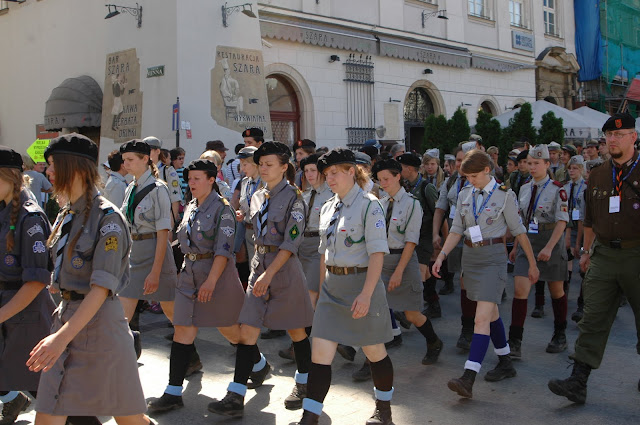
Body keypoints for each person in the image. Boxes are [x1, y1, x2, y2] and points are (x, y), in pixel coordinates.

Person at [28, 133, 154, 425]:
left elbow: (101, 290)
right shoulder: (67, 214)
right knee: (48, 415)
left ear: (74, 167)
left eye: (53, 164)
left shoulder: (107, 219)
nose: (48, 171)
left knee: (129, 419)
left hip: (101, 330)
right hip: (68, 319)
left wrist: (60, 339)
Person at [148, 159, 269, 413]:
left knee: (231, 332)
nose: (191, 183)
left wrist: (211, 281)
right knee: (183, 330)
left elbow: (223, 250)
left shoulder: (223, 209)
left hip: (217, 277)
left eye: (197, 178)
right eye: (189, 179)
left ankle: (258, 364)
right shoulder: (191, 206)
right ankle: (173, 392)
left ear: (211, 180)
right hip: (189, 276)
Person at [208, 142, 314, 417]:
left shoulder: (294, 198)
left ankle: (305, 382)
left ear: (284, 167)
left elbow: (290, 243)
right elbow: (255, 226)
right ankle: (236, 395)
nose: (263, 168)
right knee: (248, 331)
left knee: (296, 330)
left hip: (284, 270)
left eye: (269, 164)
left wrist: (269, 274)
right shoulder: (257, 195)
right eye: (261, 164)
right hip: (259, 265)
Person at [296, 148, 394, 425]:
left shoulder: (369, 205)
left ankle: (384, 411)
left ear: (352, 171)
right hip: (332, 287)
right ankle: (310, 417)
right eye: (326, 174)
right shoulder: (328, 207)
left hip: (362, 285)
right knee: (319, 353)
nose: (329, 179)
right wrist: (320, 292)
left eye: (334, 173)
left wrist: (366, 294)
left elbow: (377, 254)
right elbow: (323, 255)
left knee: (374, 351)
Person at [548, 113, 640, 403]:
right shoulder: (599, 174)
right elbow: (589, 220)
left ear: (633, 137)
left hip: (637, 254)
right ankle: (578, 381)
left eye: (619, 135)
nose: (613, 140)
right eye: (609, 135)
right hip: (604, 255)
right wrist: (586, 252)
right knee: (592, 318)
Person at [433, 149, 538, 398]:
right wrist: (442, 255)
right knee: (491, 314)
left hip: (493, 259)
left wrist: (532, 264)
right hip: (471, 258)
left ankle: (468, 377)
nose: (470, 181)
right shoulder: (464, 194)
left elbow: (519, 231)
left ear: (487, 170)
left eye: (474, 176)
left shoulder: (505, 195)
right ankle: (505, 362)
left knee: (481, 318)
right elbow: (456, 229)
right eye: (467, 177)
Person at [0, 148, 55, 425]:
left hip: (24, 312)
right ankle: (12, 398)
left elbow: (35, 281)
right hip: (8, 307)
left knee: (43, 387)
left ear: (9, 177)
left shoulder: (30, 218)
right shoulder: (3, 208)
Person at [373, 158, 443, 366]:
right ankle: (371, 361)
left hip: (403, 261)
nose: (383, 183)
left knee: (412, 314)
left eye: (386, 178)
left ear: (398, 177)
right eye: (380, 180)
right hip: (382, 261)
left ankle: (434, 342)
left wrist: (399, 271)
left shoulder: (412, 204)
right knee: (376, 311)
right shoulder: (380, 204)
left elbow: (411, 242)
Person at [117, 140, 178, 359]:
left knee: (172, 313)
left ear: (145, 159)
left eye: (130, 159)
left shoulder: (158, 189)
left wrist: (155, 272)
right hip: (135, 252)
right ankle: (127, 358)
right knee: (122, 316)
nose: (126, 164)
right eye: (124, 160)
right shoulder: (131, 188)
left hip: (155, 253)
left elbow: (163, 233)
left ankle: (190, 357)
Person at [508, 145, 569, 358]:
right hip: (528, 241)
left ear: (547, 164)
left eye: (536, 163)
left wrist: (549, 247)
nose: (532, 167)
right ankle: (514, 341)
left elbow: (562, 222)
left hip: (550, 240)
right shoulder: (525, 188)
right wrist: (517, 246)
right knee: (520, 290)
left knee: (556, 290)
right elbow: (521, 221)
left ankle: (560, 334)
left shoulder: (557, 189)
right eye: (529, 163)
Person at [278, 153, 333, 362]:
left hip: (319, 247)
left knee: (310, 296)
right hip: (302, 245)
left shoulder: (331, 195)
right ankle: (328, 340)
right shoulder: (305, 195)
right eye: (306, 171)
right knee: (305, 296)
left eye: (313, 170)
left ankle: (299, 345)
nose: (309, 175)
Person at [432, 147, 477, 351]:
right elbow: (440, 208)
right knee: (463, 280)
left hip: (477, 236)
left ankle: (474, 328)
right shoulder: (451, 182)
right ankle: (468, 328)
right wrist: (436, 233)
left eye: (463, 160)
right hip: (456, 232)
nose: (460, 164)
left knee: (470, 281)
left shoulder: (481, 182)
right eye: (458, 160)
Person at [563, 156, 587, 322]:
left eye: (575, 168)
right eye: (570, 168)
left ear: (581, 170)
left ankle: (582, 303)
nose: (572, 171)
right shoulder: (565, 187)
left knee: (584, 266)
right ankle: (564, 295)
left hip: (584, 228)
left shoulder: (585, 188)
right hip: (569, 228)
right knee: (568, 260)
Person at [143, 136, 182, 228]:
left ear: (157, 151)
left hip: (163, 221)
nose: (145, 153)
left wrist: (170, 226)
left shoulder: (168, 171)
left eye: (149, 150)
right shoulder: (142, 172)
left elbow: (175, 200)